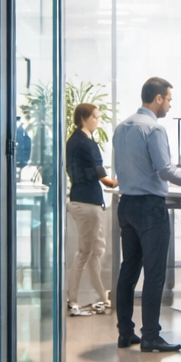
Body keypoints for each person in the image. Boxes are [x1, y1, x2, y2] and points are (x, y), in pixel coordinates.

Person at [110, 78, 181, 352]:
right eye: (168, 99)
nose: (169, 104)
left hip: (126, 205)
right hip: (149, 209)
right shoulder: (154, 129)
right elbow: (165, 170)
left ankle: (125, 332)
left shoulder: (122, 127)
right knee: (154, 274)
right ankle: (151, 336)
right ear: (157, 99)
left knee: (129, 270)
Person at [66, 103, 117, 315]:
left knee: (95, 251)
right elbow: (101, 176)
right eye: (95, 117)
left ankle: (102, 297)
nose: (98, 121)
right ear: (84, 118)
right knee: (85, 252)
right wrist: (118, 182)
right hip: (88, 203)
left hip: (83, 199)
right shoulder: (86, 144)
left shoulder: (74, 141)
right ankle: (73, 300)